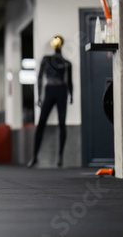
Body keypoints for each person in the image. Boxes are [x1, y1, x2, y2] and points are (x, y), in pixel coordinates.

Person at [28, 35, 72, 168]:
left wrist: (72, 96)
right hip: (50, 90)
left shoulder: (66, 63)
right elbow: (40, 78)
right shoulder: (46, 60)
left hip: (61, 91)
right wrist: (39, 97)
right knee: (41, 123)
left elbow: (69, 81)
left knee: (62, 124)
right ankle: (34, 156)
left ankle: (60, 158)